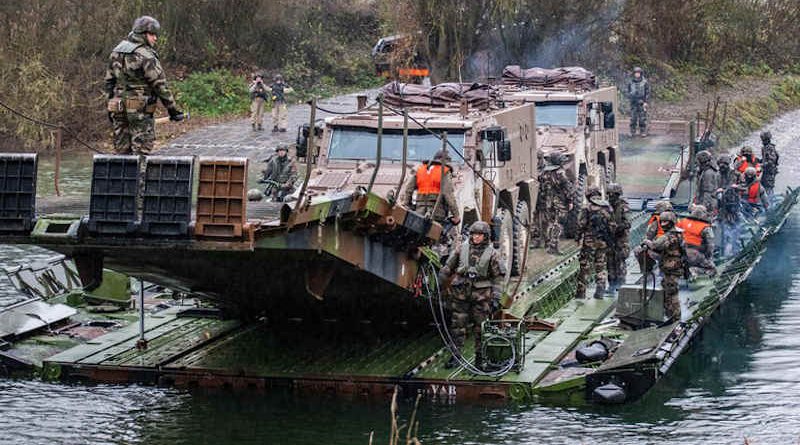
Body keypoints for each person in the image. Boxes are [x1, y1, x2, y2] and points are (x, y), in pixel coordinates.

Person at [104, 15, 184, 155]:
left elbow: (109, 82)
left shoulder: (116, 51)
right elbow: (160, 86)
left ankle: (122, 177)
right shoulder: (146, 55)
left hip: (117, 108)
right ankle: (139, 177)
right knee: (141, 151)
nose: (155, 38)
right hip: (139, 111)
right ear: (143, 34)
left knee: (122, 151)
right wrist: (173, 110)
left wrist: (109, 106)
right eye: (152, 35)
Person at [438, 221, 505, 369]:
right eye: (474, 234)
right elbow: (448, 267)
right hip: (461, 293)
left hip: (481, 296)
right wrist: (440, 280)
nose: (476, 237)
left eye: (480, 235)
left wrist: (496, 297)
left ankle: (480, 358)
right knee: (457, 325)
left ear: (486, 236)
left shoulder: (493, 254)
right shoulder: (461, 249)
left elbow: (498, 278)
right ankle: (455, 355)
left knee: (481, 328)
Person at [401, 149, 461, 253]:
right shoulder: (444, 171)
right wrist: (456, 215)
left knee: (418, 236)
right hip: (437, 213)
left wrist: (407, 205)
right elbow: (448, 195)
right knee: (435, 239)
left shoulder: (421, 170)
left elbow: (408, 189)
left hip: (419, 211)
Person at [641, 211, 686, 324]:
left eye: (665, 222)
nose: (663, 224)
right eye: (662, 222)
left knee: (671, 292)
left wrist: (646, 241)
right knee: (668, 291)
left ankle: (675, 317)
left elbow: (655, 246)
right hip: (674, 266)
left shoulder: (668, 236)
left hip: (671, 267)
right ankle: (670, 314)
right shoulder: (678, 233)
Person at [575, 187, 615, 299]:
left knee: (585, 266)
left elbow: (580, 225)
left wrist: (577, 238)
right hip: (603, 242)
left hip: (589, 242)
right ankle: (600, 291)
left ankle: (581, 292)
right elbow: (613, 225)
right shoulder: (607, 207)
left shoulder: (587, 208)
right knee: (601, 265)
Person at [538, 152, 575, 254]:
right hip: (559, 202)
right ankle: (553, 247)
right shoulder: (560, 173)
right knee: (558, 224)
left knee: (550, 222)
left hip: (548, 201)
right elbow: (568, 189)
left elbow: (542, 188)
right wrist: (570, 201)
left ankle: (548, 242)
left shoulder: (544, 173)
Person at [676, 205, 716, 276]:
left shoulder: (683, 222)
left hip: (680, 252)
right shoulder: (705, 227)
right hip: (695, 254)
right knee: (712, 269)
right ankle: (694, 271)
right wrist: (708, 257)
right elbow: (710, 246)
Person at [606, 183, 630, 290]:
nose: (610, 197)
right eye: (609, 194)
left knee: (620, 260)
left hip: (620, 238)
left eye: (613, 194)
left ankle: (621, 285)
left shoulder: (623, 206)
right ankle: (612, 284)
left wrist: (618, 228)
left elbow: (627, 223)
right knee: (610, 261)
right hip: (610, 239)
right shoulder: (606, 206)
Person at [627, 67, 650, 137]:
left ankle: (643, 131)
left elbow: (647, 92)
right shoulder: (630, 82)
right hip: (633, 102)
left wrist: (646, 101)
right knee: (633, 118)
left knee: (642, 118)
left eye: (638, 73)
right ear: (634, 74)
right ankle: (632, 131)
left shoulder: (644, 82)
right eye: (636, 73)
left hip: (641, 102)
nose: (637, 74)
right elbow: (628, 91)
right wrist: (630, 97)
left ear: (640, 73)